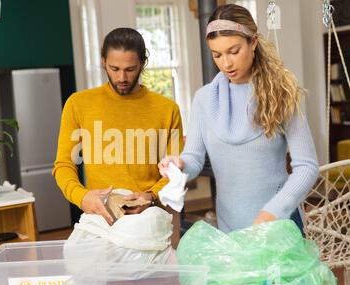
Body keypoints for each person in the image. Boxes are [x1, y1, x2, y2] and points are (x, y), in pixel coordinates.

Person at [158, 4, 319, 233]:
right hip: (230, 228)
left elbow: (307, 167)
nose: (226, 63)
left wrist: (273, 211)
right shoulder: (204, 100)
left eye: (234, 51)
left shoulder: (281, 93)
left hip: (279, 225)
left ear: (253, 42)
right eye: (217, 55)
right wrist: (179, 166)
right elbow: (193, 158)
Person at [53, 28, 184, 245]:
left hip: (149, 219)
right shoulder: (78, 105)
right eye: (114, 68)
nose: (121, 77)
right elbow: (64, 164)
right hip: (101, 219)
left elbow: (174, 171)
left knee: (152, 278)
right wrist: (82, 197)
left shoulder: (167, 109)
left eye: (130, 69)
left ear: (143, 63)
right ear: (103, 62)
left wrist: (150, 196)